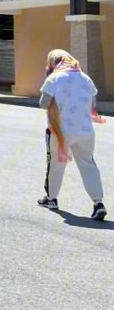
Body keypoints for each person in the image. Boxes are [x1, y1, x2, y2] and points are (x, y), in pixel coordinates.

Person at [37, 49, 106, 221]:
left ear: (53, 62)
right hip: (85, 131)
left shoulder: (54, 78)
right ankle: (98, 203)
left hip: (60, 131)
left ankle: (51, 198)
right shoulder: (86, 79)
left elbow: (43, 103)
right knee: (88, 164)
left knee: (55, 164)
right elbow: (92, 104)